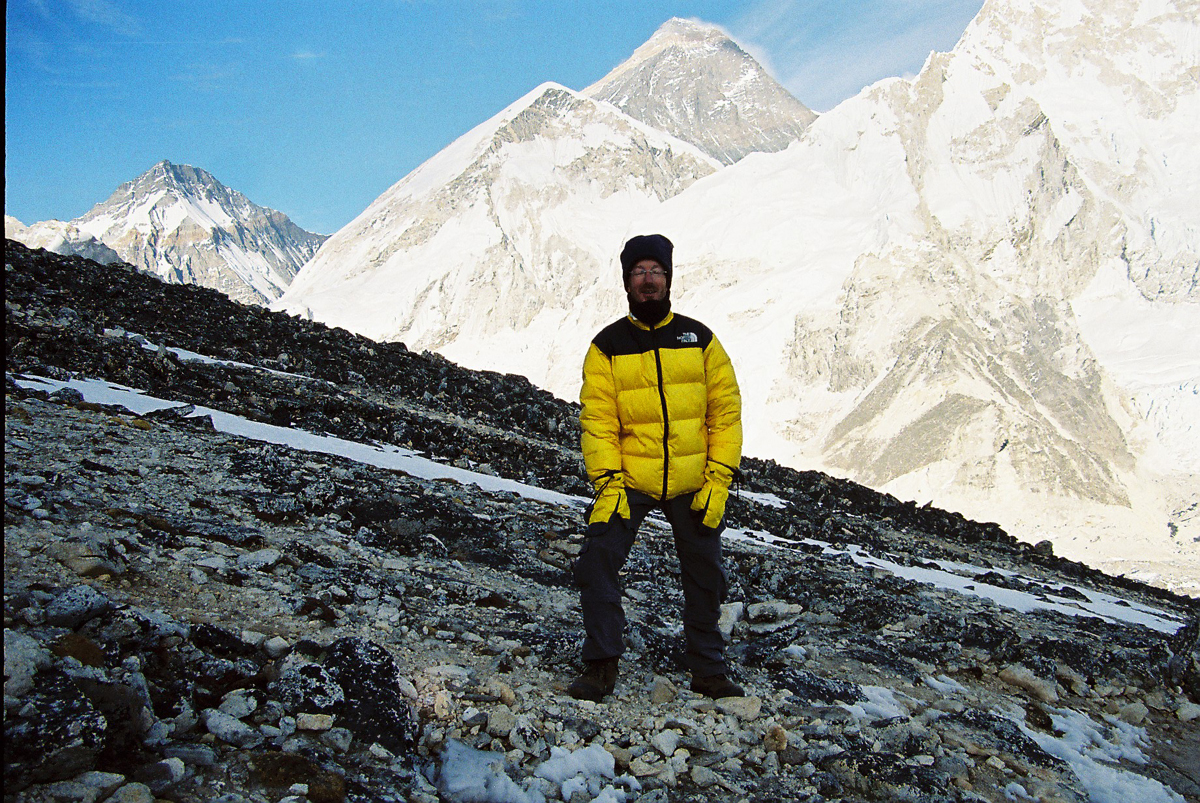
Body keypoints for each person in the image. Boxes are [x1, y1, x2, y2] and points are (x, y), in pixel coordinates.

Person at [569, 233, 744, 702]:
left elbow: (724, 414)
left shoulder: (700, 340)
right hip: (631, 480)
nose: (648, 281)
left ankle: (708, 670)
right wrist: (607, 483)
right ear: (627, 281)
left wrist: (718, 480)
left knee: (707, 573)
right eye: (639, 273)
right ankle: (601, 665)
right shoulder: (606, 346)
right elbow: (598, 420)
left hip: (692, 480)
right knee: (597, 560)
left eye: (656, 272)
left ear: (669, 279)